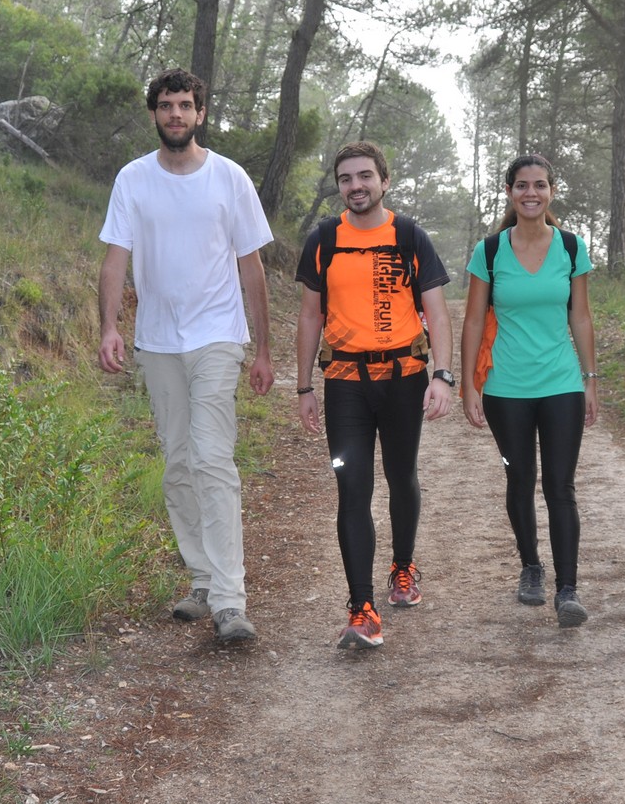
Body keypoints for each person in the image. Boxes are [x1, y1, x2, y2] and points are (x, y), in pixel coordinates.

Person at [98, 68, 273, 644]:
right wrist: (109, 327)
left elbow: (252, 267)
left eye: (185, 105)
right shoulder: (133, 179)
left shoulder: (229, 177)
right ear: (154, 113)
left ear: (200, 113)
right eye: (166, 105)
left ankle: (229, 600)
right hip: (157, 341)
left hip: (218, 336)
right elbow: (115, 258)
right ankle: (202, 579)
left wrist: (263, 349)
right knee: (177, 463)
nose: (176, 114)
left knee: (212, 459)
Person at [294, 141, 455, 650]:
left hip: (404, 379)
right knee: (352, 488)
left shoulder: (409, 236)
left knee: (401, 476)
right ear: (339, 186)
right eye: (346, 178)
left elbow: (438, 311)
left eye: (365, 176)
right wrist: (304, 386)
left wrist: (442, 375)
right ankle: (361, 608)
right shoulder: (324, 239)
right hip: (345, 384)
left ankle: (403, 567)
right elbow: (309, 316)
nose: (356, 185)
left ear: (385, 181)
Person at [460, 155, 598, 628]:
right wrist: (469, 385)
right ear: (509, 192)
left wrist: (590, 379)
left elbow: (580, 316)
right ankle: (531, 568)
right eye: (522, 185)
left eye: (540, 185)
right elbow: (473, 321)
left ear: (552, 191)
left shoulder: (571, 247)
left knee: (561, 486)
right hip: (506, 387)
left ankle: (568, 589)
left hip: (561, 384)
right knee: (519, 479)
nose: (531, 193)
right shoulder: (490, 251)